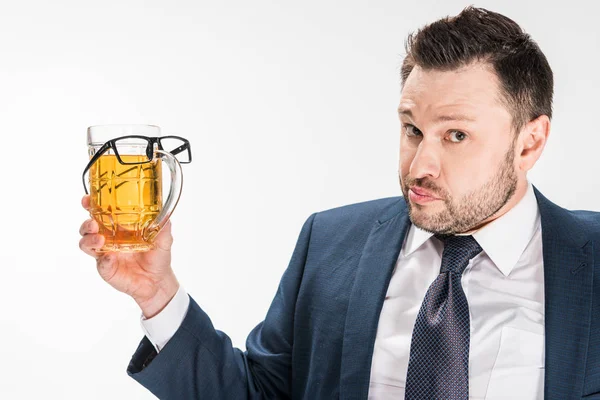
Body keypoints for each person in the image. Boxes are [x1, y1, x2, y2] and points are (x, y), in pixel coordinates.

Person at [78, 6, 600, 400]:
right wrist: (157, 295)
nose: (420, 165)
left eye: (456, 136)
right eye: (412, 129)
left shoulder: (592, 261)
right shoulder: (329, 244)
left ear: (530, 142)